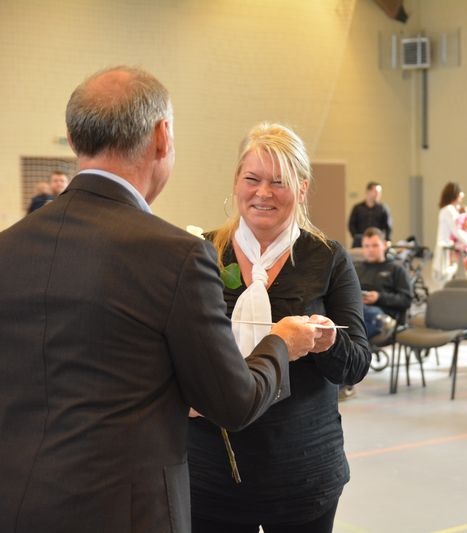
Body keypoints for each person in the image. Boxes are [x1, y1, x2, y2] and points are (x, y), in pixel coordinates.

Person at [0, 66, 319, 533]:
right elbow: (233, 403)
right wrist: (282, 344)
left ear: (73, 139)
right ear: (162, 136)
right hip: (126, 512)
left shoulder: (9, 248)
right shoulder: (176, 256)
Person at [188, 122, 371, 533]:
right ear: (236, 182)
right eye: (252, 179)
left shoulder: (327, 258)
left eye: (279, 182)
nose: (263, 193)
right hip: (211, 473)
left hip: (301, 473)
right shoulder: (201, 252)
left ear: (302, 189)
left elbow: (358, 363)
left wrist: (329, 341)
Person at [356, 226, 413, 339]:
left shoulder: (396, 269)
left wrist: (379, 297)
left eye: (375, 245)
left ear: (385, 246)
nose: (370, 250)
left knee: (359, 321)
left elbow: (406, 299)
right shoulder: (356, 268)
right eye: (366, 246)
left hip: (384, 312)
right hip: (359, 311)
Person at [433, 181, 467, 282]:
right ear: (455, 194)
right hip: (448, 250)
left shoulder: (449, 210)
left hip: (450, 249)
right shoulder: (449, 210)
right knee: (448, 280)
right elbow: (456, 231)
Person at [348, 181, 392, 247]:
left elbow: (388, 226)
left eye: (380, 192)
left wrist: (387, 240)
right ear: (368, 192)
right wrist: (357, 237)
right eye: (376, 192)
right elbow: (351, 225)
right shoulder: (357, 208)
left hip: (377, 242)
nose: (378, 194)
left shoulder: (383, 208)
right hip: (360, 242)